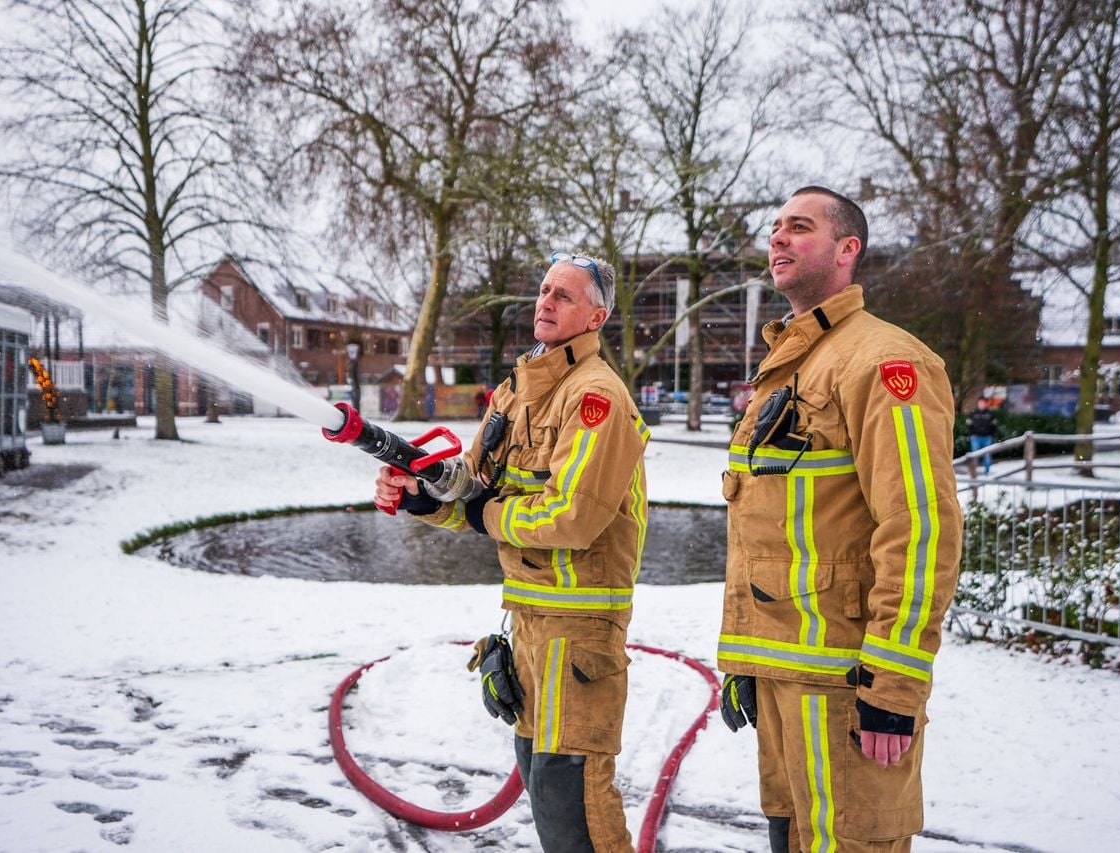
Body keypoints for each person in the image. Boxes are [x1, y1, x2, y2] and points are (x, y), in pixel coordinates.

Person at [374, 251, 649, 853]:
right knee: (544, 781)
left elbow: (570, 516)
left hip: (579, 633)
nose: (546, 303)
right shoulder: (515, 393)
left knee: (573, 800)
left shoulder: (595, 397)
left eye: (565, 296)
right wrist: (425, 496)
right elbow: (475, 486)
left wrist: (480, 512)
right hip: (529, 626)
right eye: (544, 290)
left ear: (597, 316)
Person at [717, 187, 962, 853]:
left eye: (800, 228)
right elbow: (769, 524)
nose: (779, 240)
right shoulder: (793, 363)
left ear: (848, 250)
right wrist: (745, 654)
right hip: (784, 677)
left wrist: (893, 685)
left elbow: (919, 527)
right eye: (775, 229)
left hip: (846, 689)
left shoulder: (884, 360)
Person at [966, 397, 999, 474]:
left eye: (983, 402)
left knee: (987, 455)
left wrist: (991, 434)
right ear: (978, 403)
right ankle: (973, 471)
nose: (981, 404)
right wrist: (971, 434)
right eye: (980, 402)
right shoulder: (973, 413)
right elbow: (968, 425)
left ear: (985, 403)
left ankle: (987, 472)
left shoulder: (990, 414)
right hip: (975, 437)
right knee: (974, 454)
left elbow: (994, 425)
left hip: (987, 437)